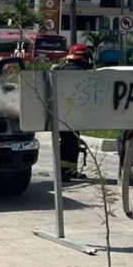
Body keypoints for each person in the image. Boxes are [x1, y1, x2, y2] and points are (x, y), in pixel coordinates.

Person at [52, 43, 93, 182]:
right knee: (70, 142)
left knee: (70, 141)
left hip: (62, 113)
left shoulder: (62, 69)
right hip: (74, 113)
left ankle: (70, 171)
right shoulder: (82, 72)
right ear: (82, 58)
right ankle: (65, 172)